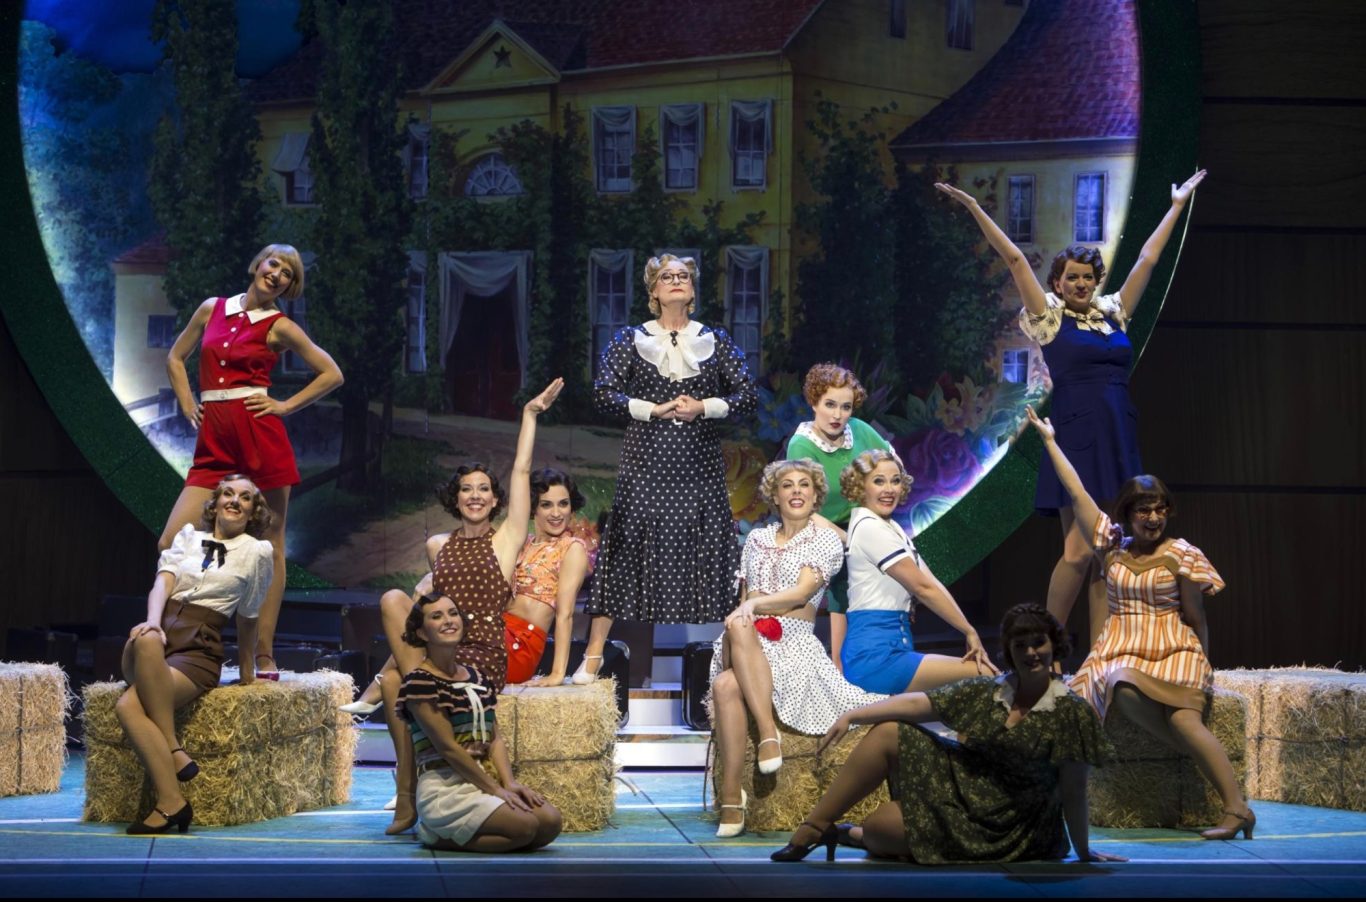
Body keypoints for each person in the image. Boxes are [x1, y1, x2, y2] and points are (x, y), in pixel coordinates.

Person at [936, 173, 1207, 647]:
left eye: (1087, 277)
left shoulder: (1112, 313)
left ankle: (1100, 656)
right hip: (1078, 436)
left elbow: (1147, 259)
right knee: (1080, 551)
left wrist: (1176, 206)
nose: (1080, 284)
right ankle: (1045, 645)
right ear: (1058, 283)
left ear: (1096, 280)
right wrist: (975, 208)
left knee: (1108, 551)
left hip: (1118, 433)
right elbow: (1015, 259)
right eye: (1071, 278)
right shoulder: (1049, 319)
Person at [1027, 407, 1253, 841]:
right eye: (1145, 510)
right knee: (1118, 686)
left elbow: (1195, 616)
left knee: (1185, 721)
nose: (1154, 518)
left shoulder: (1182, 554)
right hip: (1122, 648)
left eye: (1160, 509)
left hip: (1174, 647)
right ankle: (1199, 758)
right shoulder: (1112, 547)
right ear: (1128, 513)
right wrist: (1051, 442)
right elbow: (1077, 492)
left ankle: (1237, 808)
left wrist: (1204, 666)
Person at [771, 604, 1124, 864]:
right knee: (889, 731)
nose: (1031, 653)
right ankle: (814, 828)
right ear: (1010, 651)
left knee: (878, 828)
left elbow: (1074, 790)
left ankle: (855, 835)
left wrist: (1083, 851)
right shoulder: (992, 690)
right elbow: (918, 704)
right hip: (963, 795)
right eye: (1020, 646)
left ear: (1054, 645)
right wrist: (852, 715)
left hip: (1016, 827)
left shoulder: (1070, 711)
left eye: (1038, 643)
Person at [377, 378, 563, 834]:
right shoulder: (438, 545)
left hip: (480, 656)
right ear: (455, 498)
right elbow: (428, 614)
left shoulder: (506, 540)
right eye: (466, 489)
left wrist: (529, 415)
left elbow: (521, 470)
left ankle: (408, 789)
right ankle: (410, 788)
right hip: (439, 651)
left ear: (495, 500)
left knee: (395, 683)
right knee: (393, 601)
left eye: (483, 489)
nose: (475, 495)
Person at [157, 244, 343, 679]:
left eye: (288, 273)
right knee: (171, 541)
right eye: (273, 264)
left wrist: (285, 405)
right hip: (214, 444)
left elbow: (332, 373)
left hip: (260, 438)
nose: (277, 274)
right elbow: (175, 358)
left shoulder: (280, 326)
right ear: (258, 264)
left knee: (271, 549)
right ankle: (183, 638)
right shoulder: (212, 308)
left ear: (289, 286)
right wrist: (187, 403)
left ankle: (263, 652)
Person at [578, 254, 757, 682]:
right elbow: (603, 394)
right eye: (666, 276)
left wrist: (704, 406)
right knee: (625, 550)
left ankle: (738, 661)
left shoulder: (714, 339)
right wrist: (651, 409)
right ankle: (593, 656)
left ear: (692, 290)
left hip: (698, 466)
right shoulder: (630, 339)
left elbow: (748, 396)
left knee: (711, 552)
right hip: (646, 462)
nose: (676, 281)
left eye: (683, 276)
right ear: (654, 291)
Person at [709, 459, 887, 838]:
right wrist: (753, 606)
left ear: (815, 495)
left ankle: (736, 786)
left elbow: (801, 594)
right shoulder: (756, 539)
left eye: (804, 484)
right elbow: (746, 597)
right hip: (748, 637)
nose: (796, 491)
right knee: (737, 634)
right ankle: (762, 742)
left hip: (793, 644)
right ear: (775, 495)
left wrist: (757, 603)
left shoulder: (823, 541)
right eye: (787, 485)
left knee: (727, 680)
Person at [116, 475, 275, 834]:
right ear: (215, 503)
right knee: (146, 640)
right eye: (228, 494)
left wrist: (248, 671)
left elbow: (249, 616)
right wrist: (152, 622)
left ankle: (172, 803)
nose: (234, 501)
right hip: (159, 639)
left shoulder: (257, 552)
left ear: (253, 511)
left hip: (197, 652)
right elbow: (162, 582)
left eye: (245, 498)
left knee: (128, 706)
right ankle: (174, 747)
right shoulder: (188, 536)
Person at [396, 593, 562, 852]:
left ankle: (480, 828)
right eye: (436, 616)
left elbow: (494, 738)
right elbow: (448, 748)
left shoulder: (477, 677)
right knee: (525, 827)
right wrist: (495, 790)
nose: (448, 620)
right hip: (446, 787)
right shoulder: (420, 682)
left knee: (550, 823)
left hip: (483, 779)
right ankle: (434, 834)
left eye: (453, 613)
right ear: (422, 633)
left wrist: (509, 783)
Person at [839, 450, 995, 695]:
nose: (889, 489)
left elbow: (931, 581)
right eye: (879, 481)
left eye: (895, 481)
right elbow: (923, 588)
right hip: (876, 656)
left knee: (972, 690)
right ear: (860, 486)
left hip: (894, 646)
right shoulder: (870, 527)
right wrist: (968, 631)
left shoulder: (890, 527)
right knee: (986, 676)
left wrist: (968, 628)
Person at [784, 363, 897, 670]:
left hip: (867, 526)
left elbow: (893, 469)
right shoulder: (802, 444)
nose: (837, 415)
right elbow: (804, 512)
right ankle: (842, 673)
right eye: (830, 405)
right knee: (844, 583)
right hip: (824, 534)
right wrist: (851, 540)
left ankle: (880, 666)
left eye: (845, 407)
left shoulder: (859, 430)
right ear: (814, 402)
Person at [506, 468, 595, 686]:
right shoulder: (522, 543)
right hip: (498, 631)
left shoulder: (571, 548)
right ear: (533, 508)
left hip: (521, 643)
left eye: (563, 504)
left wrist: (557, 674)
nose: (557, 513)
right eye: (546, 505)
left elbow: (565, 614)